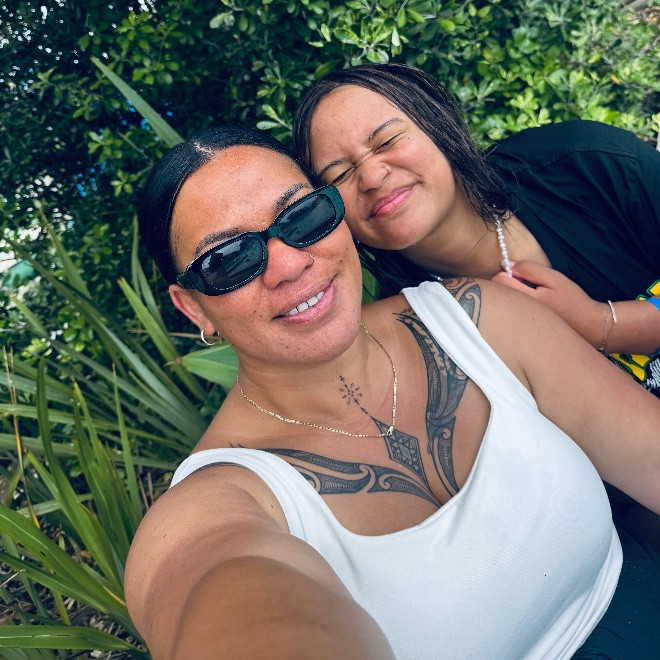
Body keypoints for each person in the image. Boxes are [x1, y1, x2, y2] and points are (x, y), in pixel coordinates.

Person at [125, 126, 660, 659]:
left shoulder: (478, 317)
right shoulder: (213, 503)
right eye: (228, 260)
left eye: (303, 216)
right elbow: (218, 590)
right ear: (193, 307)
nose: (289, 263)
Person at [292, 62, 660, 398]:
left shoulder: (588, 164)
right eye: (340, 175)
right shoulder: (411, 339)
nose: (372, 177)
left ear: (438, 125)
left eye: (387, 141)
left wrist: (603, 325)